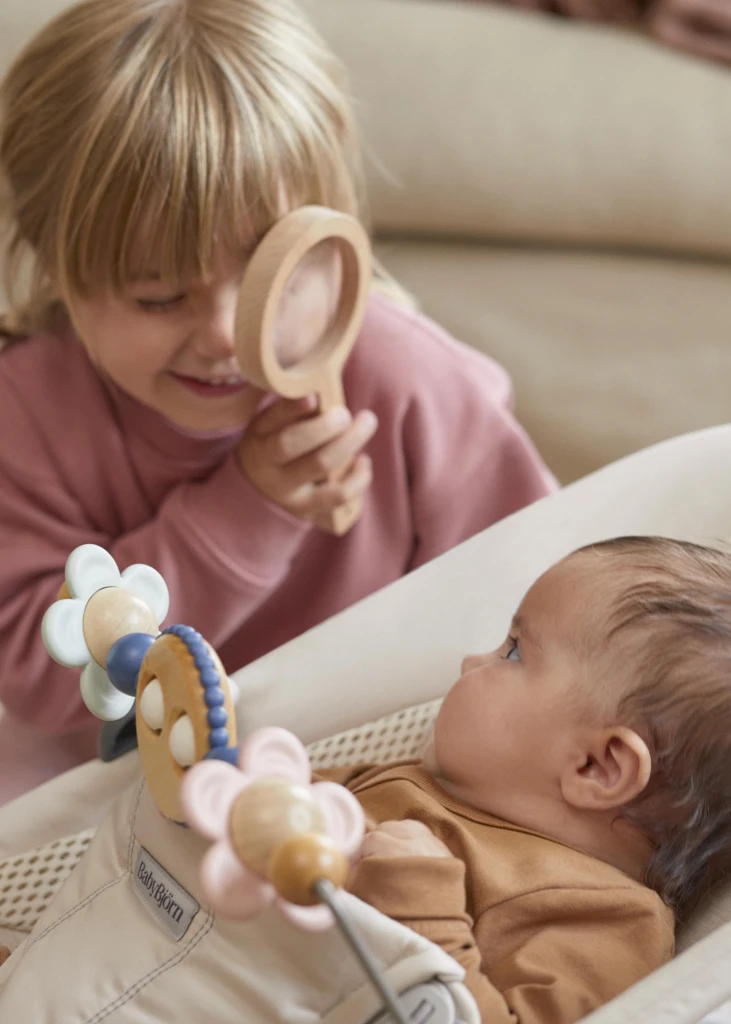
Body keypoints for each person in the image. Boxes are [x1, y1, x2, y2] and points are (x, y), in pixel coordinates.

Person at [0, 0, 555, 794]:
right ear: (57, 269)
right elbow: (36, 679)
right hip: (114, 780)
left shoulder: (407, 383)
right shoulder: (26, 410)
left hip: (371, 761)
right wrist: (246, 513)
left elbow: (546, 591)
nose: (226, 337)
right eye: (159, 299)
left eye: (276, 281)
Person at [321, 536, 731, 1022]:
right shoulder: (425, 783)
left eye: (513, 652)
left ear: (597, 767)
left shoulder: (605, 919)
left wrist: (424, 911)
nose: (471, 662)